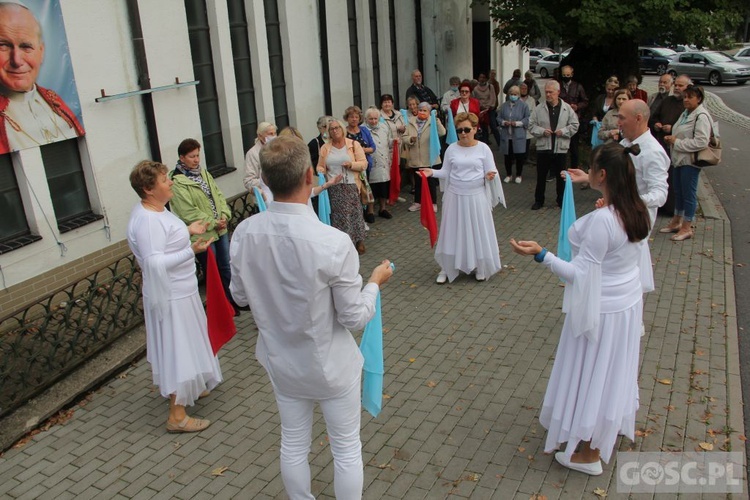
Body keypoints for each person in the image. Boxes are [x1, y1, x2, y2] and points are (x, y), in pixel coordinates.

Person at [229, 135, 393, 500]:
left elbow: (239, 297)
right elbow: (354, 318)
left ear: (267, 181)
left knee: (293, 442)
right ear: (309, 176)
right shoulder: (333, 242)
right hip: (330, 366)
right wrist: (375, 283)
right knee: (347, 448)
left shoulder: (244, 233)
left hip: (281, 362)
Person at [510, 142, 651, 476]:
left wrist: (542, 254)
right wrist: (587, 184)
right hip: (625, 305)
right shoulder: (636, 208)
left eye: (591, 169)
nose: (586, 172)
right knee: (609, 371)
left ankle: (588, 453)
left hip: (601, 309)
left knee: (592, 373)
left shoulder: (605, 220)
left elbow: (581, 274)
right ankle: (602, 425)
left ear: (602, 175)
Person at [127, 160, 222, 433]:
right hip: (172, 297)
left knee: (189, 343)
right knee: (178, 349)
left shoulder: (157, 211)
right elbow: (154, 262)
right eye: (164, 179)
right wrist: (191, 251)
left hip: (182, 291)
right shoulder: (146, 221)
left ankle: (189, 387)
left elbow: (166, 240)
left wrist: (189, 230)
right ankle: (177, 416)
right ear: (148, 189)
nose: (170, 182)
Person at [421, 112, 501, 283]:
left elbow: (491, 169)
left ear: (475, 129)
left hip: (476, 196)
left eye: (466, 129)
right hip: (455, 196)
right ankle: (448, 267)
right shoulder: (451, 148)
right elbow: (446, 172)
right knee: (452, 230)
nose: (463, 133)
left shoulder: (483, 148)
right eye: (459, 130)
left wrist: (490, 175)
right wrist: (431, 172)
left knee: (477, 229)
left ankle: (480, 266)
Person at [0, 2, 84, 153]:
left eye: (26, 46)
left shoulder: (54, 100)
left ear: (41, 52)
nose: (17, 60)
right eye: (3, 45)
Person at [168, 139, 236, 313]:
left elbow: (218, 195)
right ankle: (220, 308)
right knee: (212, 272)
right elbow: (188, 212)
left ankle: (232, 301)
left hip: (219, 229)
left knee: (226, 266)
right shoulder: (177, 182)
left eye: (198, 155)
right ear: (182, 158)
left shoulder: (204, 173)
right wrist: (213, 222)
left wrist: (223, 215)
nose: (196, 160)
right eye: (192, 157)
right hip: (203, 234)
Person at [662, 85, 713, 241]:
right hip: (679, 159)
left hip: (690, 161)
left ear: (698, 98)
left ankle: (687, 227)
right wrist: (672, 138)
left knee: (688, 194)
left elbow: (701, 141)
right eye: (684, 97)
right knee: (678, 191)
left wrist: (677, 142)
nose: (686, 100)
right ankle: (677, 221)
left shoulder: (701, 116)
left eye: (690, 97)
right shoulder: (686, 113)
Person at [316, 118, 368, 254]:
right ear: (328, 132)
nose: (335, 130)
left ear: (342, 129)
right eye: (332, 129)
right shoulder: (325, 148)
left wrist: (351, 165)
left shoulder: (353, 144)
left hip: (351, 184)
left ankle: (359, 240)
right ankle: (346, 243)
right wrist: (320, 170)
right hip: (334, 186)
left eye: (337, 127)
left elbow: (363, 163)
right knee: (340, 215)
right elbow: (320, 165)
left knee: (355, 213)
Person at [529, 80, 579, 210]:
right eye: (546, 92)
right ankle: (539, 200)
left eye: (551, 92)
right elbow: (531, 125)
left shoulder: (566, 108)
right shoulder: (539, 108)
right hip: (543, 147)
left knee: (561, 176)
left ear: (558, 92)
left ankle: (561, 200)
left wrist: (563, 131)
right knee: (541, 176)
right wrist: (541, 131)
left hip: (560, 147)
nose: (548, 95)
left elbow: (575, 125)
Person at [406, 102, 446, 213]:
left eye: (425, 111)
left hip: (429, 157)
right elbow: (404, 137)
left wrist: (436, 120)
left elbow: (442, 132)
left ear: (429, 112)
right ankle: (417, 202)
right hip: (416, 157)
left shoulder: (432, 121)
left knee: (431, 182)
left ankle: (433, 203)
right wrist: (410, 139)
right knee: (418, 182)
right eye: (420, 110)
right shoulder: (411, 121)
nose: (422, 112)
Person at [344, 106, 376, 223]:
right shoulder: (344, 131)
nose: (354, 119)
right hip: (350, 166)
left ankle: (369, 211)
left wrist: (362, 150)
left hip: (364, 165)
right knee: (355, 189)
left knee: (366, 187)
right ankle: (358, 214)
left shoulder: (364, 130)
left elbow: (373, 147)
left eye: (356, 117)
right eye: (351, 117)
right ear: (347, 118)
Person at [363, 106, 393, 219]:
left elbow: (387, 142)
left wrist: (394, 142)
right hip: (371, 163)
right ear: (366, 119)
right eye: (371, 119)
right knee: (371, 188)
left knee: (384, 187)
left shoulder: (384, 127)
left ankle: (383, 209)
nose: (374, 121)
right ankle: (370, 211)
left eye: (376, 118)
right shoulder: (363, 129)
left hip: (384, 161)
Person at [497, 85, 530, 184]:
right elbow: (498, 118)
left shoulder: (524, 106)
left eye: (515, 94)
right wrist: (504, 122)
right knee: (507, 156)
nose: (513, 96)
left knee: (519, 156)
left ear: (519, 95)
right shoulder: (504, 105)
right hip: (507, 136)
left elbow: (527, 119)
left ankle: (519, 175)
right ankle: (509, 175)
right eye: (511, 94)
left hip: (518, 135)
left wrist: (517, 123)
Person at [379, 94, 407, 201]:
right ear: (381, 104)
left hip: (399, 147)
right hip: (387, 148)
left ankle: (396, 193)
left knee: (398, 170)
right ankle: (387, 195)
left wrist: (403, 128)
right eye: (384, 102)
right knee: (389, 172)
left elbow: (405, 127)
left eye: (389, 102)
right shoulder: (379, 117)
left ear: (392, 103)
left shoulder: (399, 114)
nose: (387, 104)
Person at [558, 65, 588, 168]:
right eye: (564, 75)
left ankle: (574, 169)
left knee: (574, 148)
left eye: (568, 75)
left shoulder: (578, 86)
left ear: (572, 74)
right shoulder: (558, 86)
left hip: (573, 119)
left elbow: (585, 101)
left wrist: (577, 106)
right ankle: (557, 170)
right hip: (560, 120)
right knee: (559, 147)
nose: (566, 77)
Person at [243, 121, 278, 202]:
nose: (273, 136)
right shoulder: (252, 153)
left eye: (275, 133)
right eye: (270, 134)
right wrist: (270, 180)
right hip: (264, 199)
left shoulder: (278, 148)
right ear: (260, 136)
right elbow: (248, 181)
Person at [473, 73, 500, 145]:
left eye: (483, 77)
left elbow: (493, 97)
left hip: (490, 109)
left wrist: (489, 106)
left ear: (486, 79)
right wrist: (481, 107)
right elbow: (475, 99)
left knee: (494, 127)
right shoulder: (475, 89)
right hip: (481, 109)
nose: (482, 79)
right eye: (480, 77)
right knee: (483, 127)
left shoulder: (490, 87)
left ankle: (500, 143)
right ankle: (485, 143)